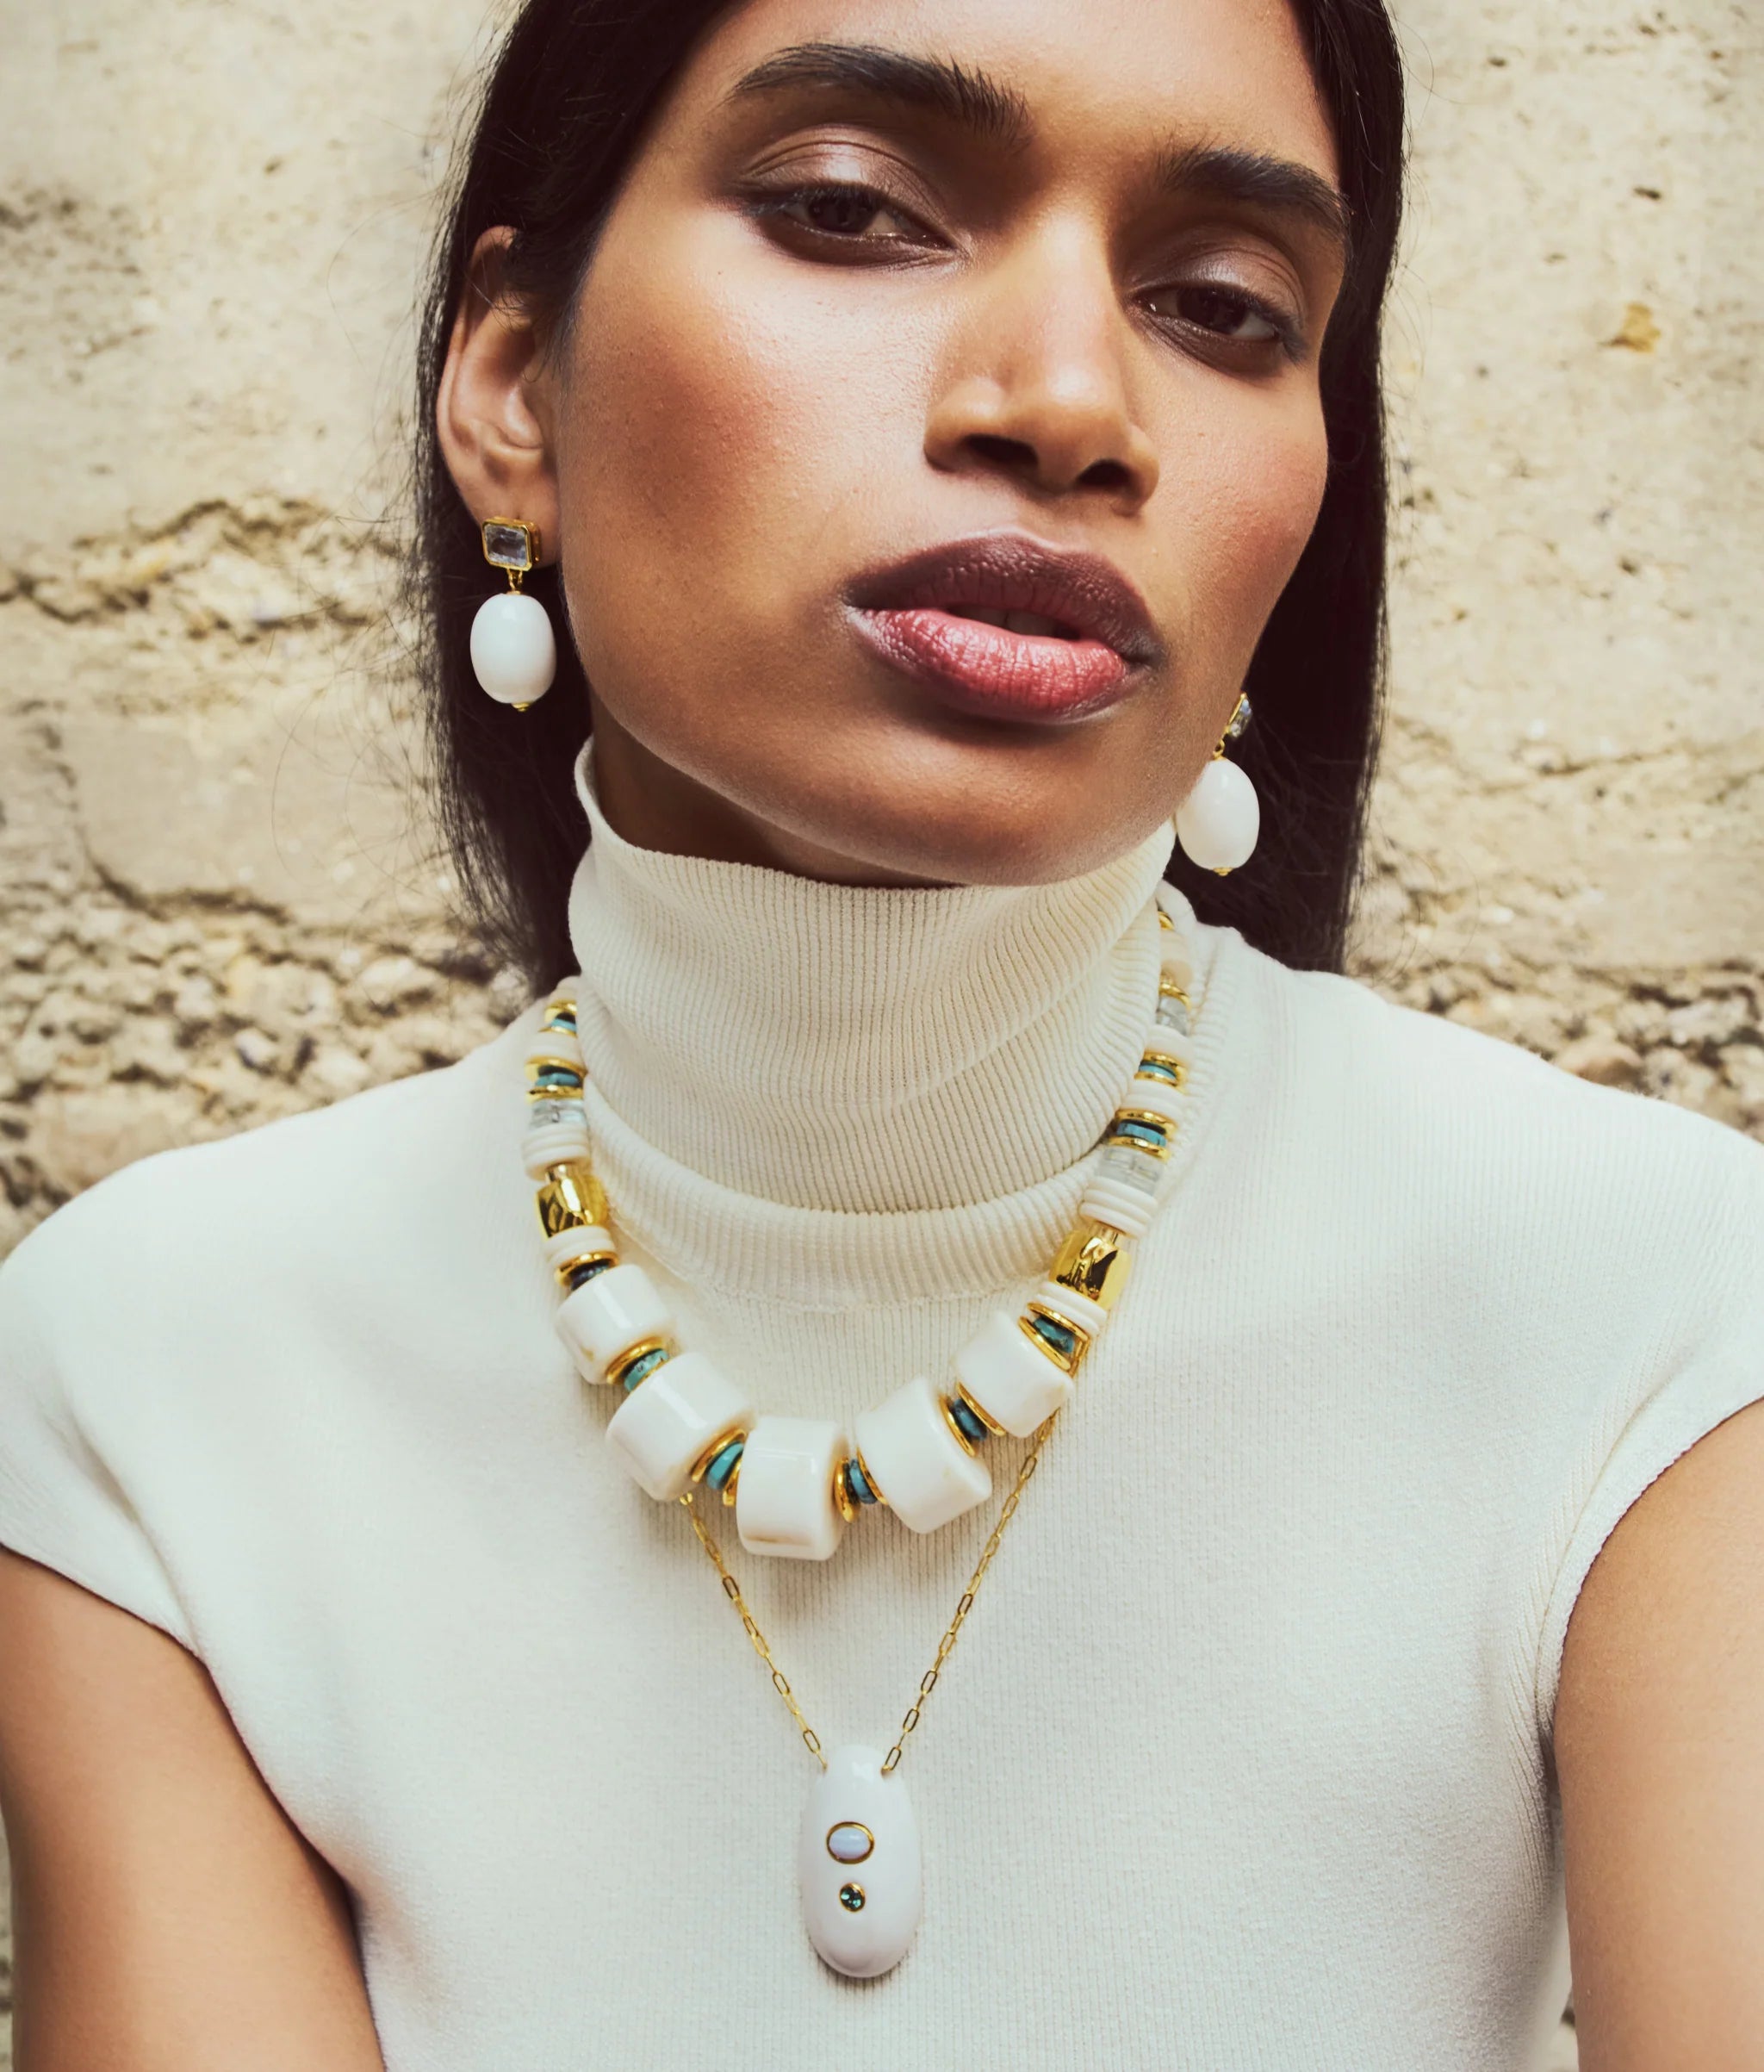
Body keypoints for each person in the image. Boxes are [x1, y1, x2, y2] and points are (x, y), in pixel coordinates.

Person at [0, 0, 1759, 2064]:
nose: (1070, 402)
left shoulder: (1647, 1323)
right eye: (850, 210)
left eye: (1221, 304)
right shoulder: (164, 1382)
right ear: (511, 386)